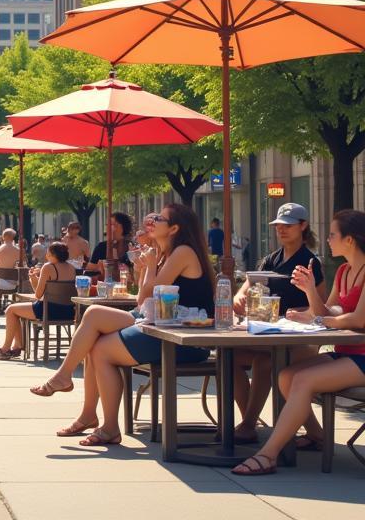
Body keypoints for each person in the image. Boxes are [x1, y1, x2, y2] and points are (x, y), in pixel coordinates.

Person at [31, 204, 215, 447]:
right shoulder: (164, 252)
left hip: (184, 336)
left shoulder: (182, 252)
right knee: (94, 315)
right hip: (161, 323)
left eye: (159, 218)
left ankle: (105, 424)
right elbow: (144, 299)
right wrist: (147, 267)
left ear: (174, 228)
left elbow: (152, 293)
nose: (152, 220)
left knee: (100, 350)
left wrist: (148, 267)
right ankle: (81, 402)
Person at [232, 209, 365, 477]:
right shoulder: (343, 271)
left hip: (361, 357)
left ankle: (268, 454)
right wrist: (309, 293)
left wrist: (326, 319)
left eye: (332, 234)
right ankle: (317, 435)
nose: (327, 239)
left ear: (349, 240)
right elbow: (326, 313)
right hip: (345, 352)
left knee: (301, 380)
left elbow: (359, 320)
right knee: (286, 376)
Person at [231, 202, 326, 445]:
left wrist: (300, 311)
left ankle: (249, 424)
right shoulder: (270, 260)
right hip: (266, 333)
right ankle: (249, 420)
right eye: (278, 226)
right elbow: (247, 286)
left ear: (303, 226)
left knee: (265, 362)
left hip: (299, 339)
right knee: (228, 357)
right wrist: (239, 296)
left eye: (288, 226)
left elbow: (322, 307)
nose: (281, 230)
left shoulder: (311, 261)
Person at [0, 241, 76, 359]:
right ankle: (17, 346)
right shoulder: (71, 268)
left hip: (49, 310)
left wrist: (33, 279)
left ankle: (6, 349)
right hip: (68, 311)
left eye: (48, 253)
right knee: (15, 310)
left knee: (10, 310)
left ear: (52, 254)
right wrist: (36, 278)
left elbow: (38, 294)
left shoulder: (48, 267)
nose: (46, 255)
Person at [84, 212, 133, 280]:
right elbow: (92, 269)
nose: (107, 227)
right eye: (107, 225)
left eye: (112, 224)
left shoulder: (131, 247)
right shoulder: (101, 246)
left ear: (122, 226)